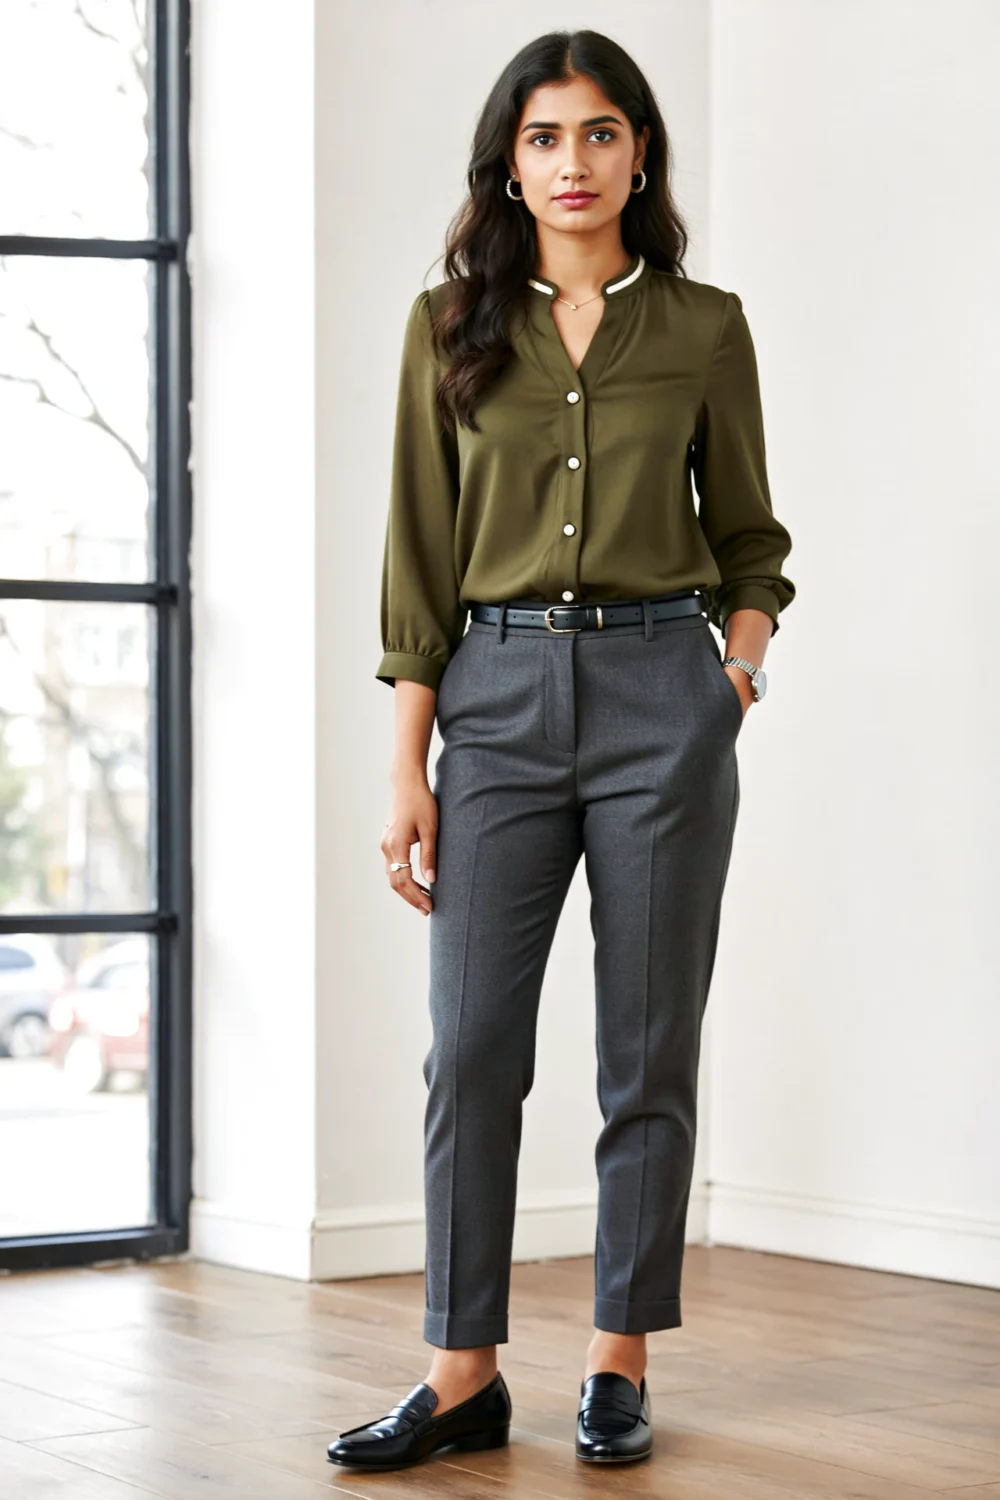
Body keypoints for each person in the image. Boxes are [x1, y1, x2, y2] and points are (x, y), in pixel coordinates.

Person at [327, 26, 795, 1475]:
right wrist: (410, 766)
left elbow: (752, 542)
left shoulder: (706, 325)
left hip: (667, 695)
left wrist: (733, 668)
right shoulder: (447, 327)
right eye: (545, 137)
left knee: (645, 1051)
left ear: (639, 151)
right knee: (470, 1051)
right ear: (509, 163)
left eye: (600, 133)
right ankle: (460, 1372)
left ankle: (617, 1359)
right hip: (499, 702)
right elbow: (419, 557)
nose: (573, 162)